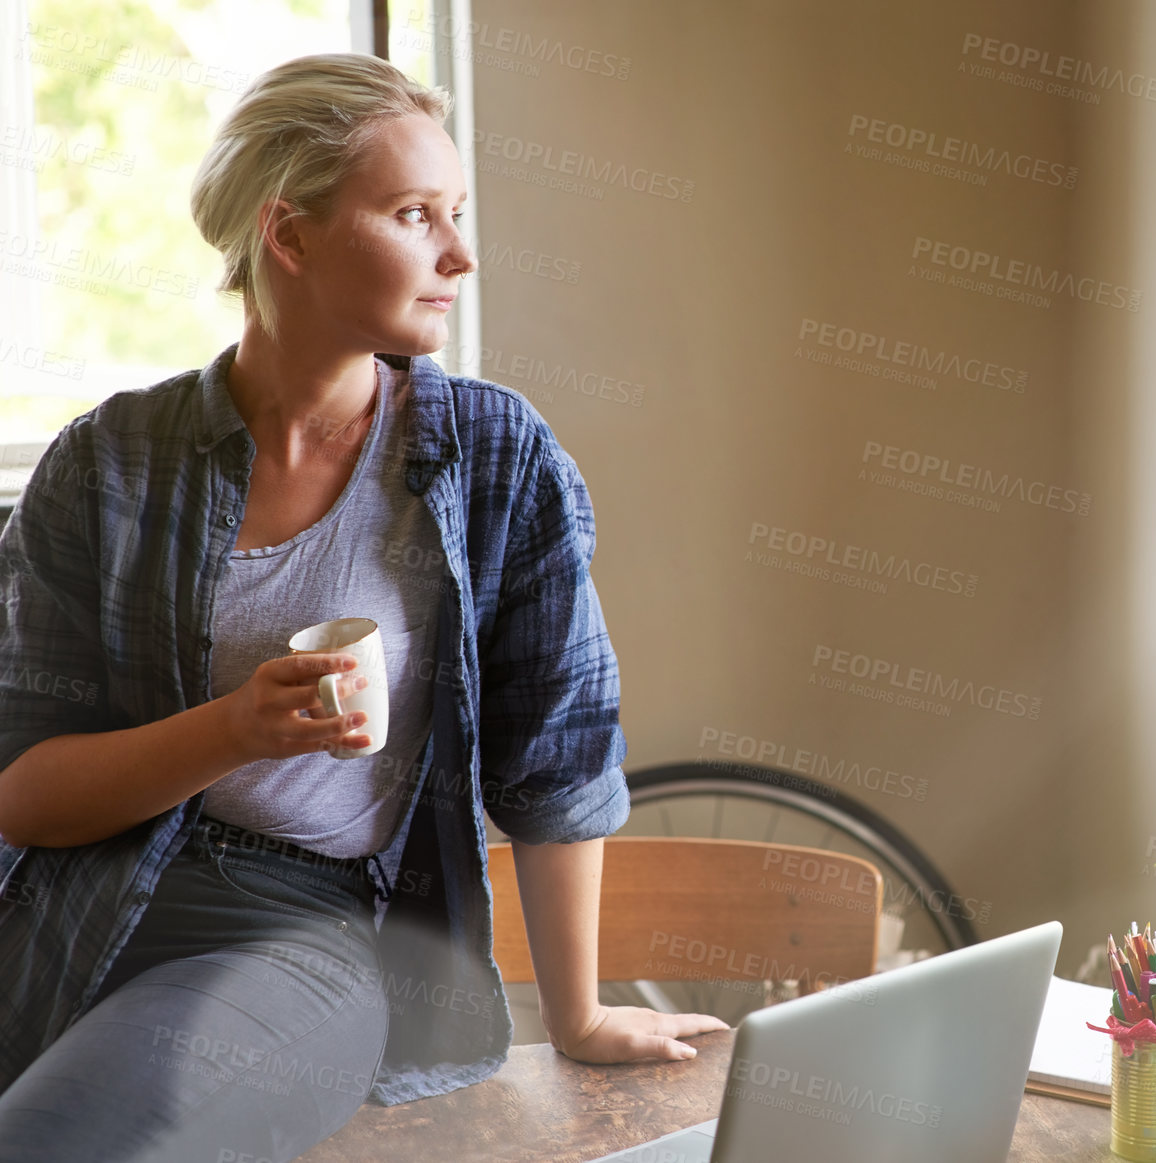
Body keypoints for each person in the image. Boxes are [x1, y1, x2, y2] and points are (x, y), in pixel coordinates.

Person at [0, 52, 723, 1162]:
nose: (459, 254)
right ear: (290, 236)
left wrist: (578, 1016)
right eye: (413, 214)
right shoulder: (109, 464)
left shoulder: (494, 457)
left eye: (457, 213)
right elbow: (29, 796)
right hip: (72, 901)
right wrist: (235, 727)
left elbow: (557, 758)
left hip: (304, 927)